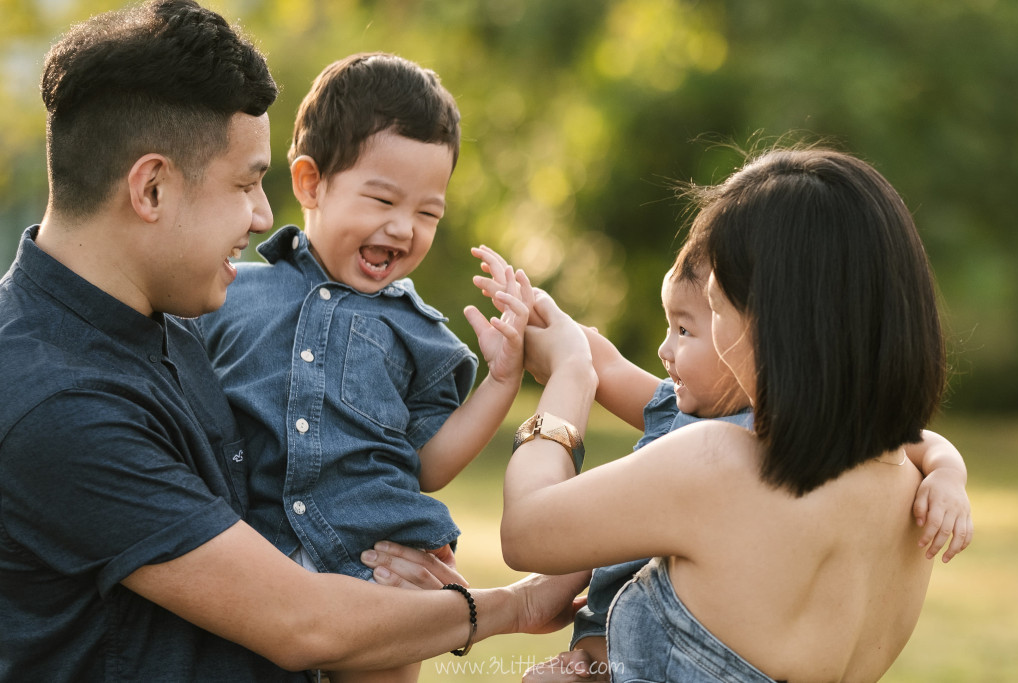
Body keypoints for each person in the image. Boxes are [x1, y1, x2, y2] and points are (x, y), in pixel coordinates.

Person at [0, 3, 586, 680]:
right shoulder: (55, 401)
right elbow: (303, 622)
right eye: (246, 182)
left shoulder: (169, 320)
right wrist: (513, 605)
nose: (262, 215)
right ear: (152, 187)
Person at [498, 147, 973, 682]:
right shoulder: (916, 496)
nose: (714, 331)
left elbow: (525, 530)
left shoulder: (718, 463)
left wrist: (569, 376)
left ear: (772, 320)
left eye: (717, 306)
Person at [191, 52, 530, 682]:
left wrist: (503, 382)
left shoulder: (419, 333)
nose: (403, 228)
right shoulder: (229, 293)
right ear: (310, 183)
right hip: (256, 562)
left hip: (380, 563)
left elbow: (428, 463)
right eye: (382, 200)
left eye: (429, 213)